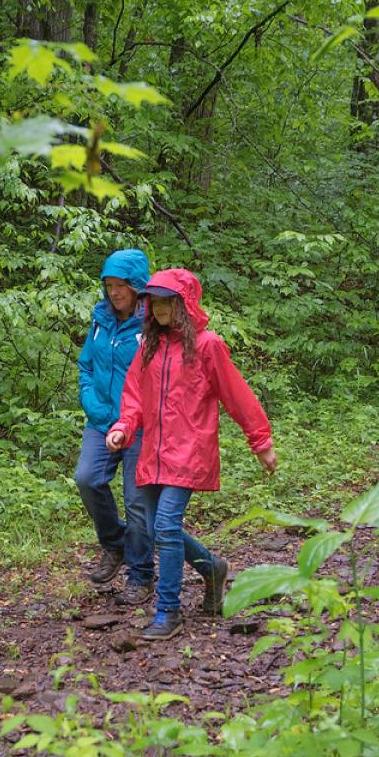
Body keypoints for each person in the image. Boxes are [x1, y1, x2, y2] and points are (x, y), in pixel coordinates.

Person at [106, 268, 277, 640]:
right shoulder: (149, 345)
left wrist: (260, 441)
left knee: (165, 525)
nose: (160, 308)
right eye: (154, 301)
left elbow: (237, 395)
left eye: (167, 300)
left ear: (184, 303)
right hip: (153, 449)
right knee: (155, 527)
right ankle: (212, 568)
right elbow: (134, 394)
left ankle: (168, 611)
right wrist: (123, 427)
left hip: (188, 449)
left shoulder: (208, 345)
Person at [74, 247, 155, 604]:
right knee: (87, 479)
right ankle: (115, 545)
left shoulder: (153, 325)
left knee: (138, 503)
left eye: (121, 285)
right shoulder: (100, 320)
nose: (114, 292)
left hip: (140, 426)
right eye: (108, 284)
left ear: (137, 286)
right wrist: (90, 401)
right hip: (101, 420)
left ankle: (141, 576)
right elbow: (86, 366)